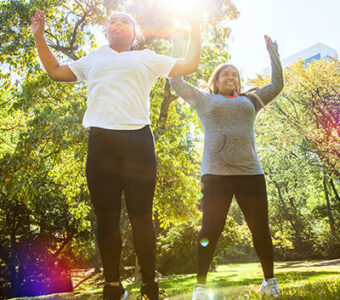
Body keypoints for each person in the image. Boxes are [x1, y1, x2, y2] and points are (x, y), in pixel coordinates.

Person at [31, 10, 201, 300]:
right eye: (112, 22)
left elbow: (190, 65)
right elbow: (56, 71)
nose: (117, 24)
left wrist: (195, 29)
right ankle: (112, 286)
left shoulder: (145, 57)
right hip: (101, 143)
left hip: (137, 143)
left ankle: (149, 284)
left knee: (141, 218)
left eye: (124, 21)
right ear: (106, 32)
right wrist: (39, 36)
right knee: (106, 219)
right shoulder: (93, 58)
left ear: (134, 33)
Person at [170, 35, 284, 299]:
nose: (231, 76)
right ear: (216, 80)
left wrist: (273, 51)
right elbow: (176, 81)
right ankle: (200, 285)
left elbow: (277, 84)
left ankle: (270, 281)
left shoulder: (251, 100)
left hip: (250, 174)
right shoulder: (203, 99)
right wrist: (177, 47)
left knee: (260, 229)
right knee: (210, 229)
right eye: (225, 74)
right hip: (216, 176)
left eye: (234, 74)